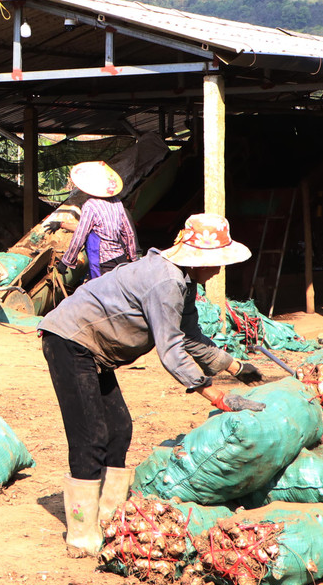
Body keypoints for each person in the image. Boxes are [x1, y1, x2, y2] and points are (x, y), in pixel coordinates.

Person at [38, 212, 266, 555]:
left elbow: (189, 336)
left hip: (94, 349)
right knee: (91, 436)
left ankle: (109, 518)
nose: (220, 270)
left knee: (120, 429)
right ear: (199, 258)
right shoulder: (166, 281)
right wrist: (217, 395)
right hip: (71, 342)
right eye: (217, 262)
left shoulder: (183, 282)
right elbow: (171, 349)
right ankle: (82, 536)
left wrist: (234, 366)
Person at [59, 160, 139, 279]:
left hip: (103, 262)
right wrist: (133, 258)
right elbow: (129, 233)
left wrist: (66, 261)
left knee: (103, 295)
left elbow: (80, 235)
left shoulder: (90, 205)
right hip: (120, 258)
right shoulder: (117, 202)